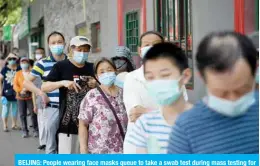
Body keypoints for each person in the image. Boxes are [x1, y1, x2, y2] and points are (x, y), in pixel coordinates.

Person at [167, 31, 259, 154]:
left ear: (255, 71)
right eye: (221, 93)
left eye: (242, 90)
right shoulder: (187, 128)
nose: (232, 99)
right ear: (202, 77)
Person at [125, 42, 193, 154]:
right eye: (150, 77)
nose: (157, 82)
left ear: (185, 76)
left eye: (165, 75)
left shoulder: (202, 122)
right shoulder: (144, 125)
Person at [42, 36, 96, 154]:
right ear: (71, 50)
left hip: (92, 125)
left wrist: (96, 84)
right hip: (68, 124)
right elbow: (44, 86)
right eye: (79, 49)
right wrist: (63, 83)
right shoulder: (61, 66)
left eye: (86, 50)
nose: (82, 53)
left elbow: (105, 89)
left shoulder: (93, 67)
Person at [23, 31, 67, 154]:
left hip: (69, 109)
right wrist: (41, 93)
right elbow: (26, 83)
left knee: (67, 146)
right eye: (53, 43)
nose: (57, 45)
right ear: (49, 45)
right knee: (51, 146)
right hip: (51, 108)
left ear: (64, 43)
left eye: (59, 42)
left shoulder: (71, 62)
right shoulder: (42, 63)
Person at [123, 31, 164, 153]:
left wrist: (146, 111)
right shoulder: (131, 78)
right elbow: (135, 114)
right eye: (147, 44)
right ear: (140, 50)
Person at [78, 58, 128, 154]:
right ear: (96, 76)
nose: (106, 74)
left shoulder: (124, 94)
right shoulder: (92, 96)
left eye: (109, 70)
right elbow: (83, 124)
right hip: (99, 152)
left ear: (115, 71)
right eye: (102, 72)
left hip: (123, 151)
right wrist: (83, 150)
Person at [13, 57, 38, 138]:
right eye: (22, 63)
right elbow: (15, 85)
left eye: (25, 62)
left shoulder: (32, 73)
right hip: (20, 97)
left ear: (28, 63)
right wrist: (20, 90)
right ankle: (25, 131)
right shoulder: (18, 73)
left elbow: (35, 83)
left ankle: (35, 129)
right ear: (20, 64)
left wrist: (27, 88)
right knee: (22, 115)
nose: (24, 64)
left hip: (30, 96)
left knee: (33, 114)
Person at [0, 53, 20, 132]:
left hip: (17, 92)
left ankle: (14, 124)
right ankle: (5, 125)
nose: (12, 60)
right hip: (6, 92)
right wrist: (0, 90)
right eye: (10, 59)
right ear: (7, 60)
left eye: (14, 59)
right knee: (6, 109)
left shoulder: (19, 68)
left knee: (15, 109)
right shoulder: (4, 69)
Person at [31, 47, 47, 150]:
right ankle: (43, 142)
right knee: (41, 122)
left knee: (49, 124)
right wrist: (34, 104)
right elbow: (33, 89)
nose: (39, 55)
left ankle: (51, 142)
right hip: (40, 100)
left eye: (40, 53)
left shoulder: (49, 66)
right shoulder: (35, 70)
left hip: (51, 100)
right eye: (37, 53)